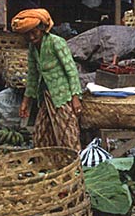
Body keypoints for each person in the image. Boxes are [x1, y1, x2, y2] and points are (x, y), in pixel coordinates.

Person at [14, 9, 84, 151]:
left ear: (42, 29)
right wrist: (25, 102)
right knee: (41, 134)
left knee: (67, 135)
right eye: (28, 34)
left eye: (35, 32)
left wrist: (75, 97)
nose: (32, 37)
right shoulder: (33, 48)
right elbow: (33, 76)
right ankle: (48, 164)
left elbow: (71, 70)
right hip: (45, 95)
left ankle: (73, 167)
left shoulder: (56, 42)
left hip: (62, 96)